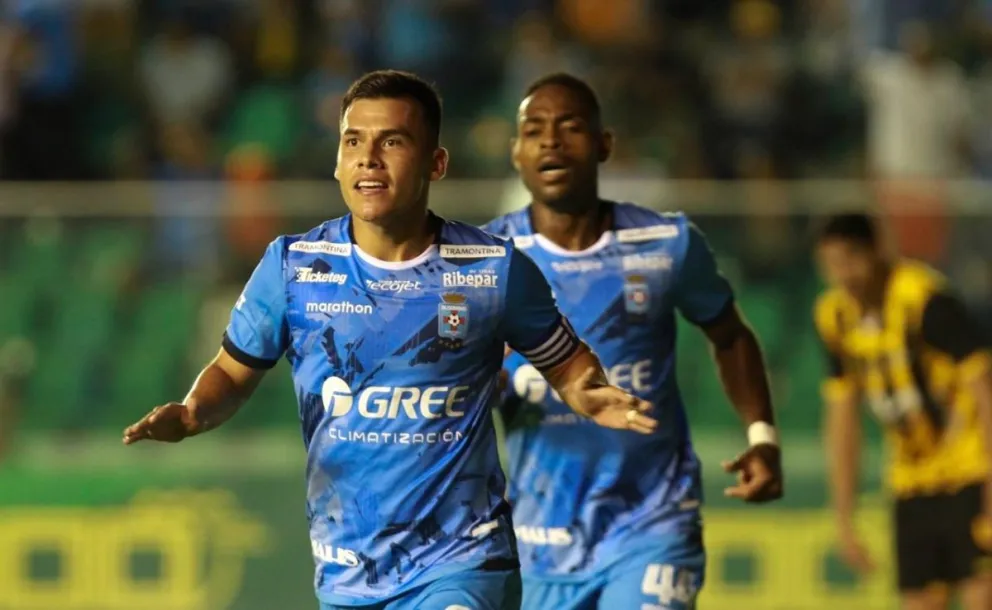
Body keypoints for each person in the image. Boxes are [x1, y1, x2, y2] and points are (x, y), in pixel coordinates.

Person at [122, 70, 658, 610]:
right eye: (353, 141)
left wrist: (592, 392)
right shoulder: (294, 268)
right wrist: (193, 414)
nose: (368, 158)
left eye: (392, 142)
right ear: (337, 161)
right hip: (347, 573)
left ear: (436, 163)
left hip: (463, 561)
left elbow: (566, 365)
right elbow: (233, 373)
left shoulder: (493, 271)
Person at [482, 73, 783, 610]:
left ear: (604, 145)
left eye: (570, 127)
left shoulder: (666, 244)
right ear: (516, 153)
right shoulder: (485, 262)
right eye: (534, 130)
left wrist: (762, 435)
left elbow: (730, 334)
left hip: (653, 520)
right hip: (540, 541)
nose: (550, 141)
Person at [814, 213, 992, 610]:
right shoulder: (834, 317)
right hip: (911, 481)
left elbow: (985, 388)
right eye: (832, 265)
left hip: (970, 470)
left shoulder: (925, 300)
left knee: (982, 594)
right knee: (919, 602)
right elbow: (843, 418)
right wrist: (844, 515)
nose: (845, 276)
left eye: (851, 260)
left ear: (878, 252)